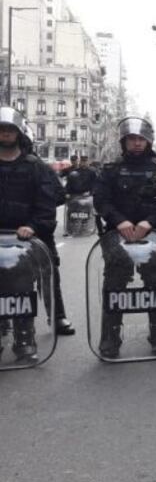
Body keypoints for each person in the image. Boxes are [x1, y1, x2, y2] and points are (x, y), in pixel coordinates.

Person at [93, 117, 156, 358]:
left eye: (141, 139)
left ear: (148, 141)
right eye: (132, 139)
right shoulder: (111, 170)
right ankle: (110, 337)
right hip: (119, 236)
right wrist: (120, 221)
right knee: (114, 287)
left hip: (154, 236)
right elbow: (101, 200)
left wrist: (150, 222)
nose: (137, 143)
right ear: (124, 142)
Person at [0, 107, 64, 360]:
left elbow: (48, 202)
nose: (5, 135)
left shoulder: (35, 167)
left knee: (21, 287)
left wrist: (34, 226)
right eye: (1, 130)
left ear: (18, 134)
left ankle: (24, 337)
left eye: (10, 130)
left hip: (24, 239)